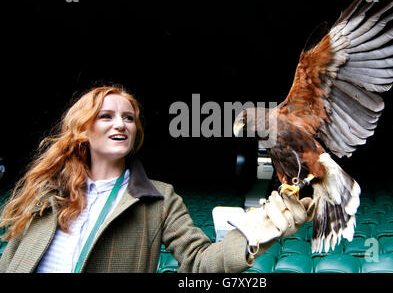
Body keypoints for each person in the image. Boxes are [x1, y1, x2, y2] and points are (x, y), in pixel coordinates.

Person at [0, 85, 313, 273]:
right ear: (82, 130)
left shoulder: (159, 199)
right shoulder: (46, 191)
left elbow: (200, 261)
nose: (120, 124)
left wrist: (255, 234)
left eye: (129, 118)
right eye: (106, 116)